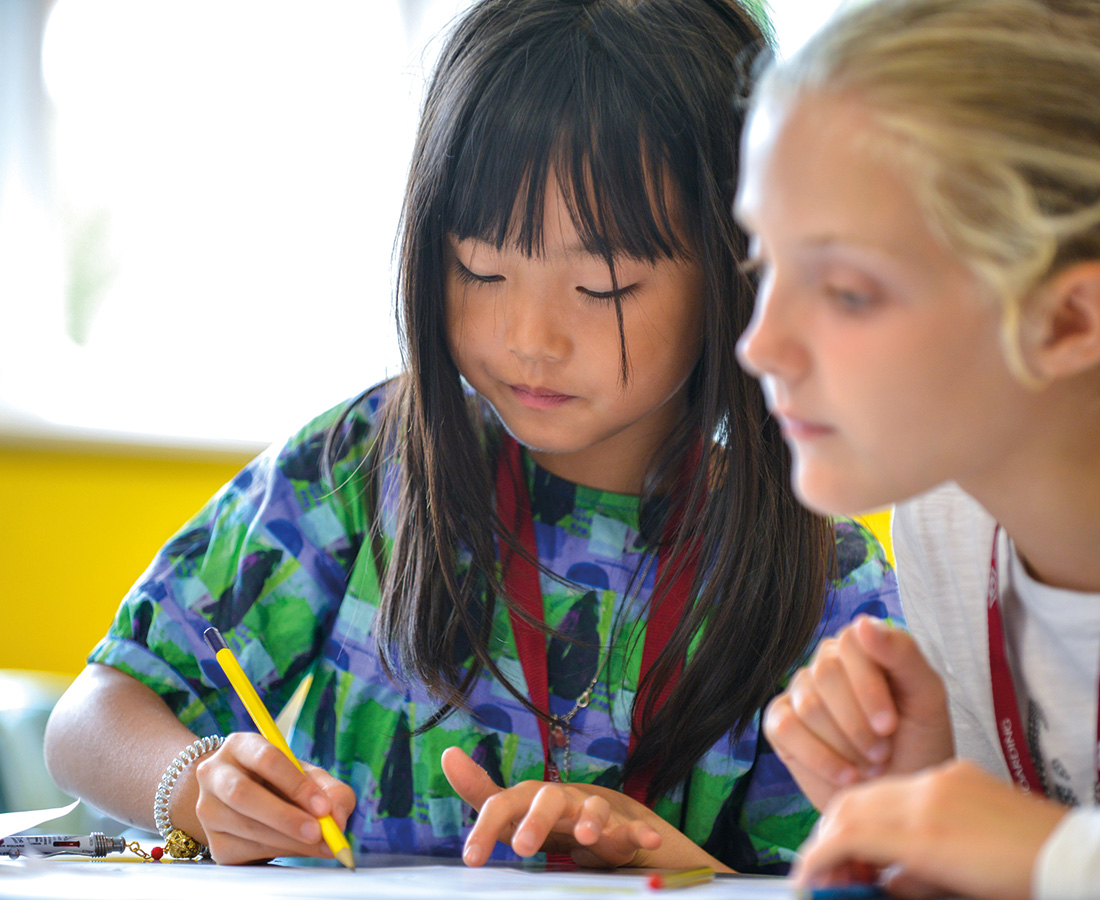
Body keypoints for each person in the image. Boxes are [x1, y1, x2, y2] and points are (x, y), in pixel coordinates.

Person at [43, 0, 899, 873]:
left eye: (603, 289)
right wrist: (194, 785)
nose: (530, 337)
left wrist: (672, 861)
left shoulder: (824, 584)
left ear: (737, 263)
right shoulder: (365, 464)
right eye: (481, 268)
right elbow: (90, 717)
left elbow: (865, 870)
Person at [732, 0, 1100, 898]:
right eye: (763, 262)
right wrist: (928, 813)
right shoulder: (946, 520)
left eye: (848, 291)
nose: (760, 344)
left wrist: (1053, 857)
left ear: (1068, 319)